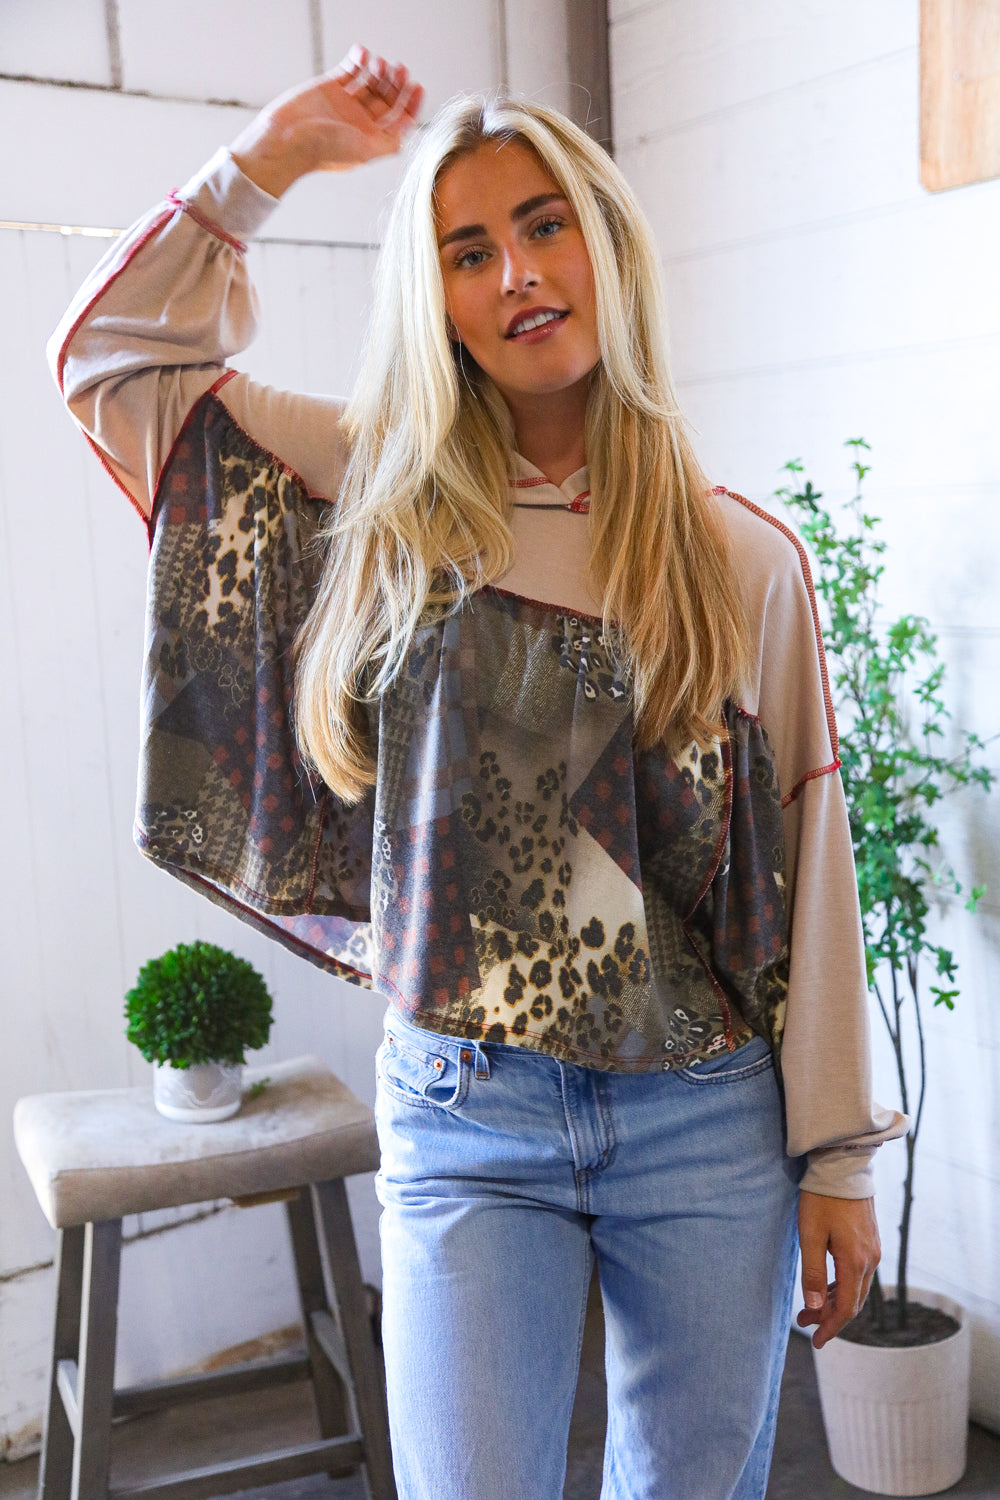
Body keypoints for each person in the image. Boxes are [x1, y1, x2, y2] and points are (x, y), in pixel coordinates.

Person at [49, 44, 907, 1500]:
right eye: (467, 248)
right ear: (432, 297)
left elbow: (814, 875)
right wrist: (272, 153)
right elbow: (114, 362)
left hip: (706, 1120)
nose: (516, 271)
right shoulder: (369, 492)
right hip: (462, 1111)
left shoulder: (740, 560)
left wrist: (838, 1162)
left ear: (606, 246)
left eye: (543, 224)